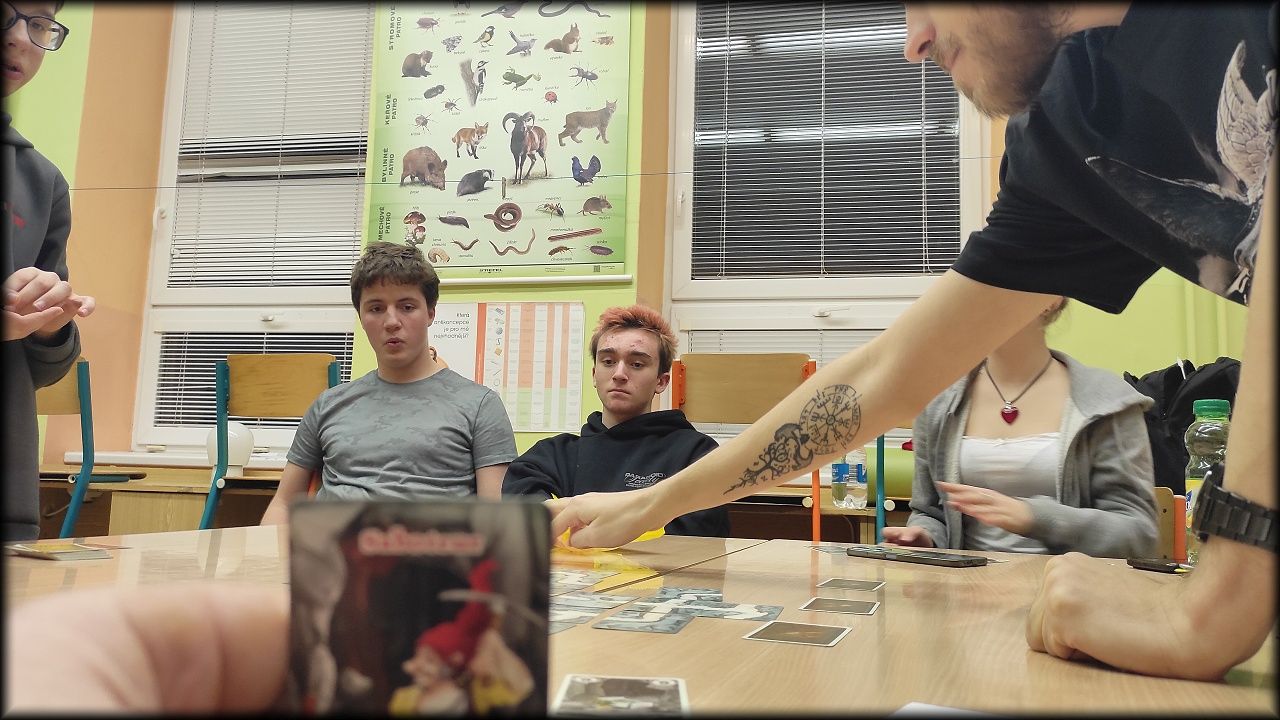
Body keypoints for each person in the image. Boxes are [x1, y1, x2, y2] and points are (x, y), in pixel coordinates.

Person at [547, 3, 1276, 682]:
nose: (913, 42)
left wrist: (1223, 598)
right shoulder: (1069, 133)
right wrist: (649, 506)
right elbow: (887, 375)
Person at [259, 242, 516, 524]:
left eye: (407, 307)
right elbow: (284, 504)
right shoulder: (328, 404)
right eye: (376, 308)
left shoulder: (480, 405)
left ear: (430, 313)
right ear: (361, 317)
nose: (392, 321)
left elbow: (496, 521)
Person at [883, 298, 1159, 558]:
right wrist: (926, 536)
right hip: (964, 588)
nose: (980, 295)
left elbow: (1138, 535)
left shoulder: (1106, 402)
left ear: (1052, 299)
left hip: (1065, 589)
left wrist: (1035, 518)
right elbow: (930, 512)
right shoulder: (939, 403)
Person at [502, 304, 729, 537]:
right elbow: (524, 520)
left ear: (661, 381)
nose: (619, 374)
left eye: (637, 364)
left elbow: (695, 541)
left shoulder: (695, 454)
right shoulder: (552, 456)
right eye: (608, 361)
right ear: (594, 375)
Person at [3, 0, 96, 541]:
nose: (21, 37)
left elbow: (40, 370)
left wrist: (50, 328)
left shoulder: (42, 182)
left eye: (39, 24)